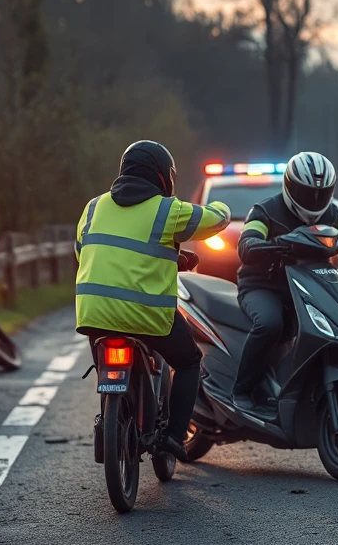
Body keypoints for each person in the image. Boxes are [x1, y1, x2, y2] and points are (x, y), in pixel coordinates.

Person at [75, 140, 231, 460]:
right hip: (147, 316)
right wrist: (224, 207)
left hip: (93, 313)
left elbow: (83, 251)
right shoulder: (167, 210)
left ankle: (112, 415)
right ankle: (174, 436)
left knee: (105, 355)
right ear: (163, 176)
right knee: (188, 362)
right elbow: (215, 220)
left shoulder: (93, 207)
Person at [233, 152, 338, 412]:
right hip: (264, 286)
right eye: (307, 193)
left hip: (311, 287)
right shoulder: (264, 211)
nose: (315, 200)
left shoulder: (331, 213)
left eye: (321, 193)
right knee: (271, 325)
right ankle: (243, 390)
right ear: (290, 186)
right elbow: (248, 240)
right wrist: (257, 244)